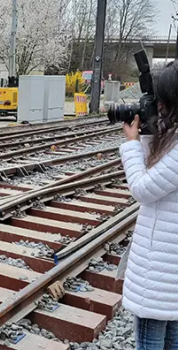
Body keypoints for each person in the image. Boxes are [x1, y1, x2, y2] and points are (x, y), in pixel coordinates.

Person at [120, 61, 178, 350]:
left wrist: (131, 143)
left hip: (159, 278)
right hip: (168, 276)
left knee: (152, 342)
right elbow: (156, 173)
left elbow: (142, 188)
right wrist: (147, 135)